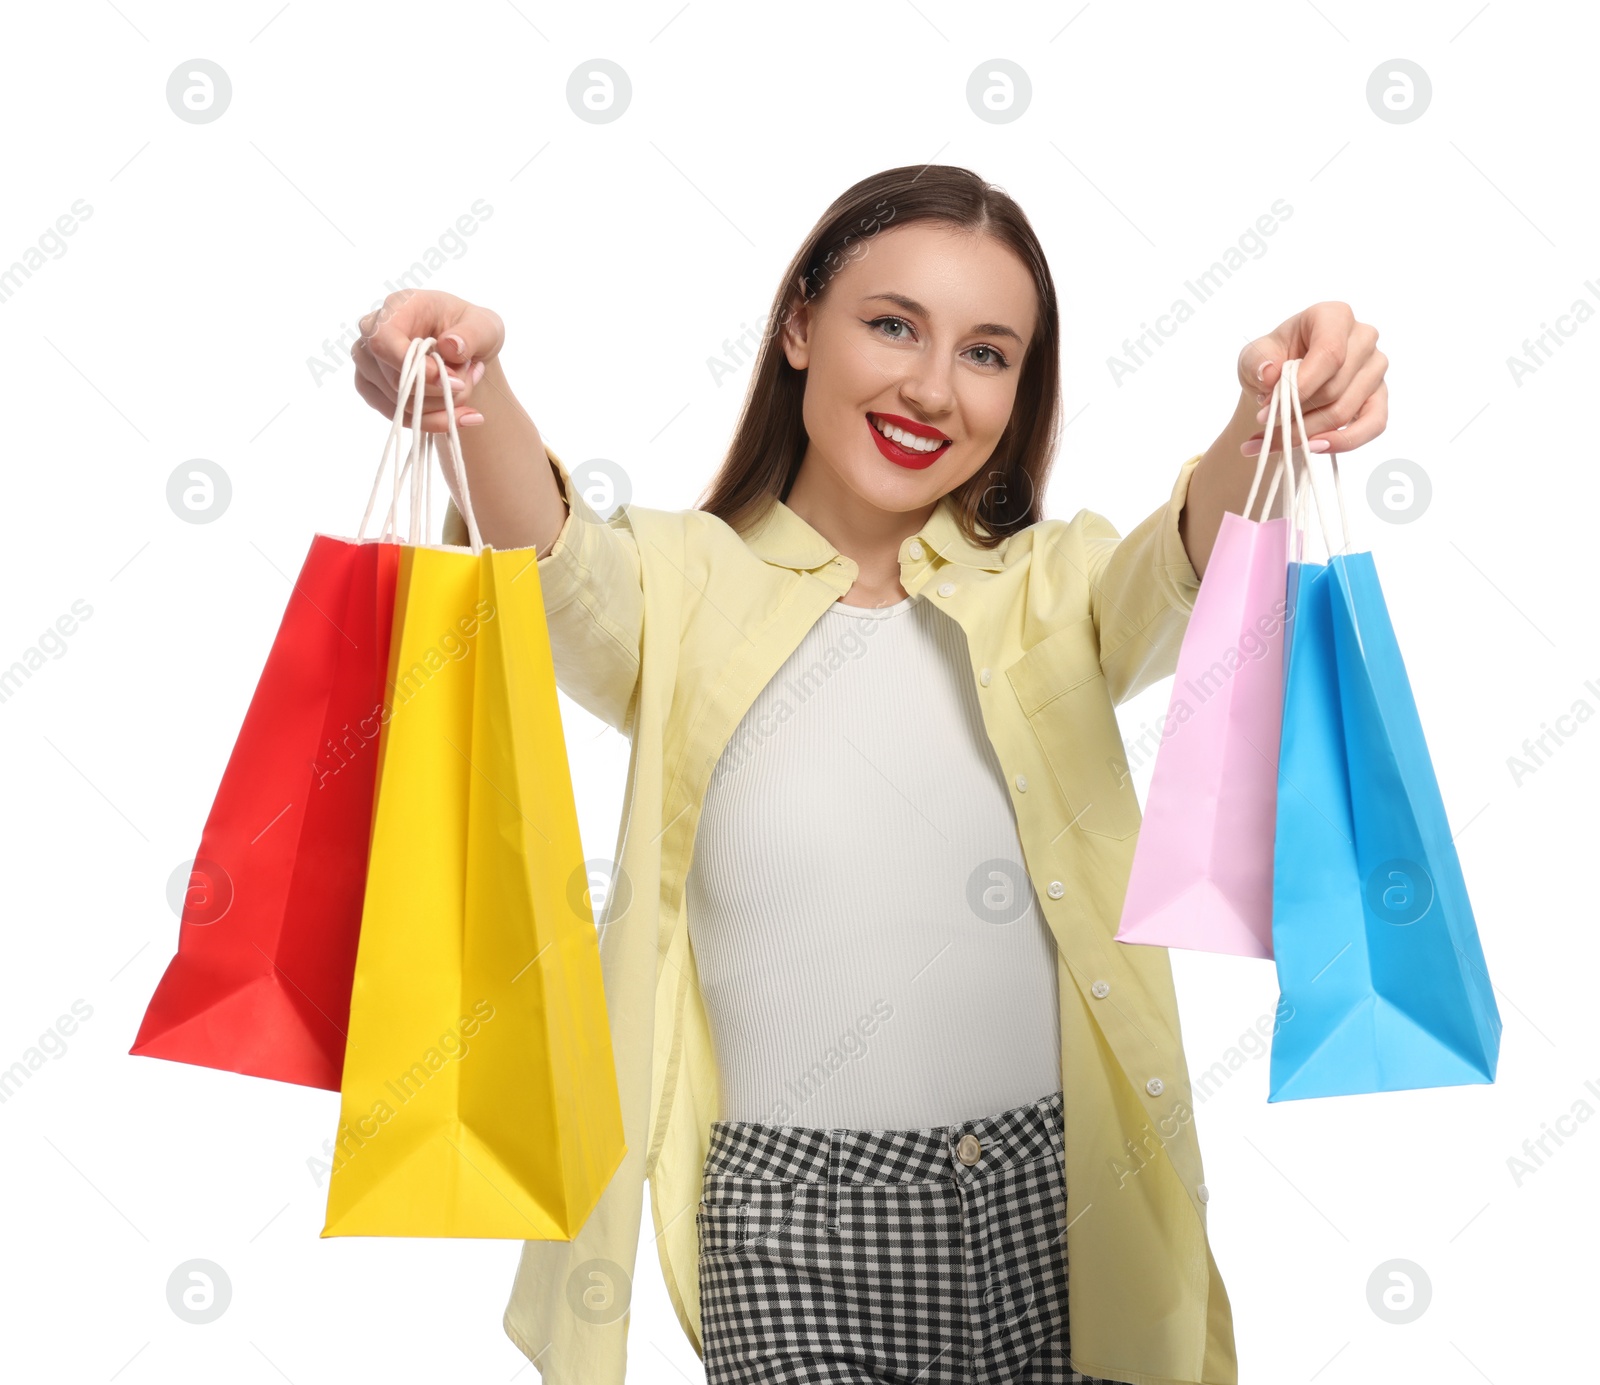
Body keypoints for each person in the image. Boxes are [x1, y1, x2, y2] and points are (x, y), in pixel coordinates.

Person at [349, 163, 1387, 1385]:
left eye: (987, 352)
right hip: (789, 1229)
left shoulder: (1049, 593)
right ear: (799, 325)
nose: (931, 387)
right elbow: (552, 559)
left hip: (1062, 1202)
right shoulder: (680, 587)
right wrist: (467, 394)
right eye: (892, 324)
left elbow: (1185, 564)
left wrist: (1276, 410)